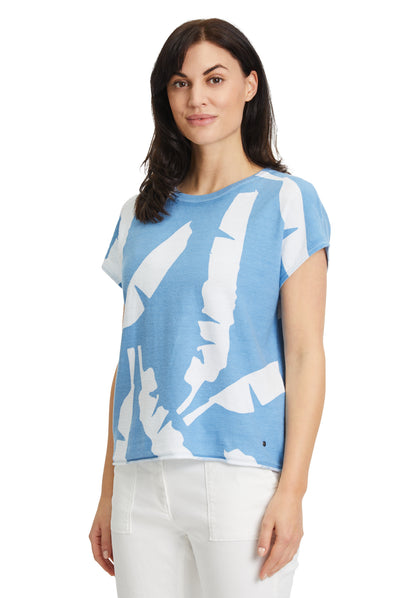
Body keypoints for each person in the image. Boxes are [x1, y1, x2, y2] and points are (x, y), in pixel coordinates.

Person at [89, 17, 331, 598]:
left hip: (241, 475)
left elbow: (305, 355)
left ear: (249, 85)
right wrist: (107, 490)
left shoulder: (287, 202)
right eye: (180, 83)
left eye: (214, 79)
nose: (196, 97)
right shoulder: (138, 215)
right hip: (140, 479)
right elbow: (130, 358)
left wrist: (293, 491)